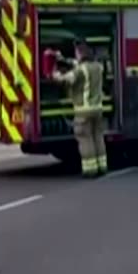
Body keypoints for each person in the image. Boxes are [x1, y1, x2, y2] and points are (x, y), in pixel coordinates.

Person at [51, 41, 107, 177]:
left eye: (77, 52)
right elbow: (77, 64)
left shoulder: (79, 71)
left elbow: (66, 79)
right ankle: (102, 166)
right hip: (98, 109)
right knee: (98, 137)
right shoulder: (98, 67)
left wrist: (54, 74)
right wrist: (62, 58)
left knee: (85, 139)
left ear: (80, 54)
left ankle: (90, 170)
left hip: (83, 111)